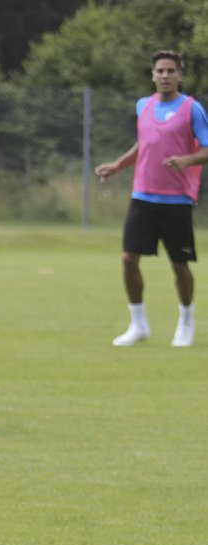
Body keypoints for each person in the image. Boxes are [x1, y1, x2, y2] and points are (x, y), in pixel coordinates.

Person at [95, 49, 208, 347]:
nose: (165, 76)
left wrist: (187, 160)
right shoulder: (143, 105)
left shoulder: (191, 109)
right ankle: (138, 325)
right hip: (142, 197)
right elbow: (143, 144)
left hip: (177, 201)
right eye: (160, 71)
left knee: (179, 265)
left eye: (171, 71)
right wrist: (118, 165)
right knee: (129, 259)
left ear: (180, 75)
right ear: (153, 75)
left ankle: (185, 322)